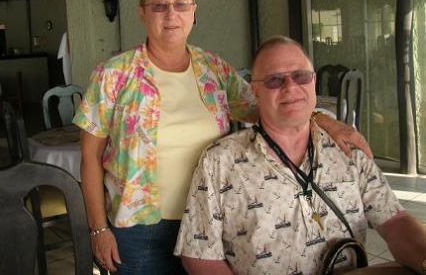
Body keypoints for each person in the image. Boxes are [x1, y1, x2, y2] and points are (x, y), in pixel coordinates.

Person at [73, 0, 371, 275]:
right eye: (159, 5)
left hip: (211, 221)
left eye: (180, 4)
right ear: (142, 13)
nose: (171, 14)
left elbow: (271, 109)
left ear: (193, 11)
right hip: (140, 231)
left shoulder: (212, 69)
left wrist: (324, 120)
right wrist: (97, 229)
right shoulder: (113, 74)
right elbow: (89, 157)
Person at [175, 35, 426, 275]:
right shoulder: (219, 161)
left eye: (301, 76)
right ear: (255, 91)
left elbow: (395, 222)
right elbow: (199, 256)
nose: (291, 87)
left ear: (313, 81)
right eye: (275, 80)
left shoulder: (348, 150)